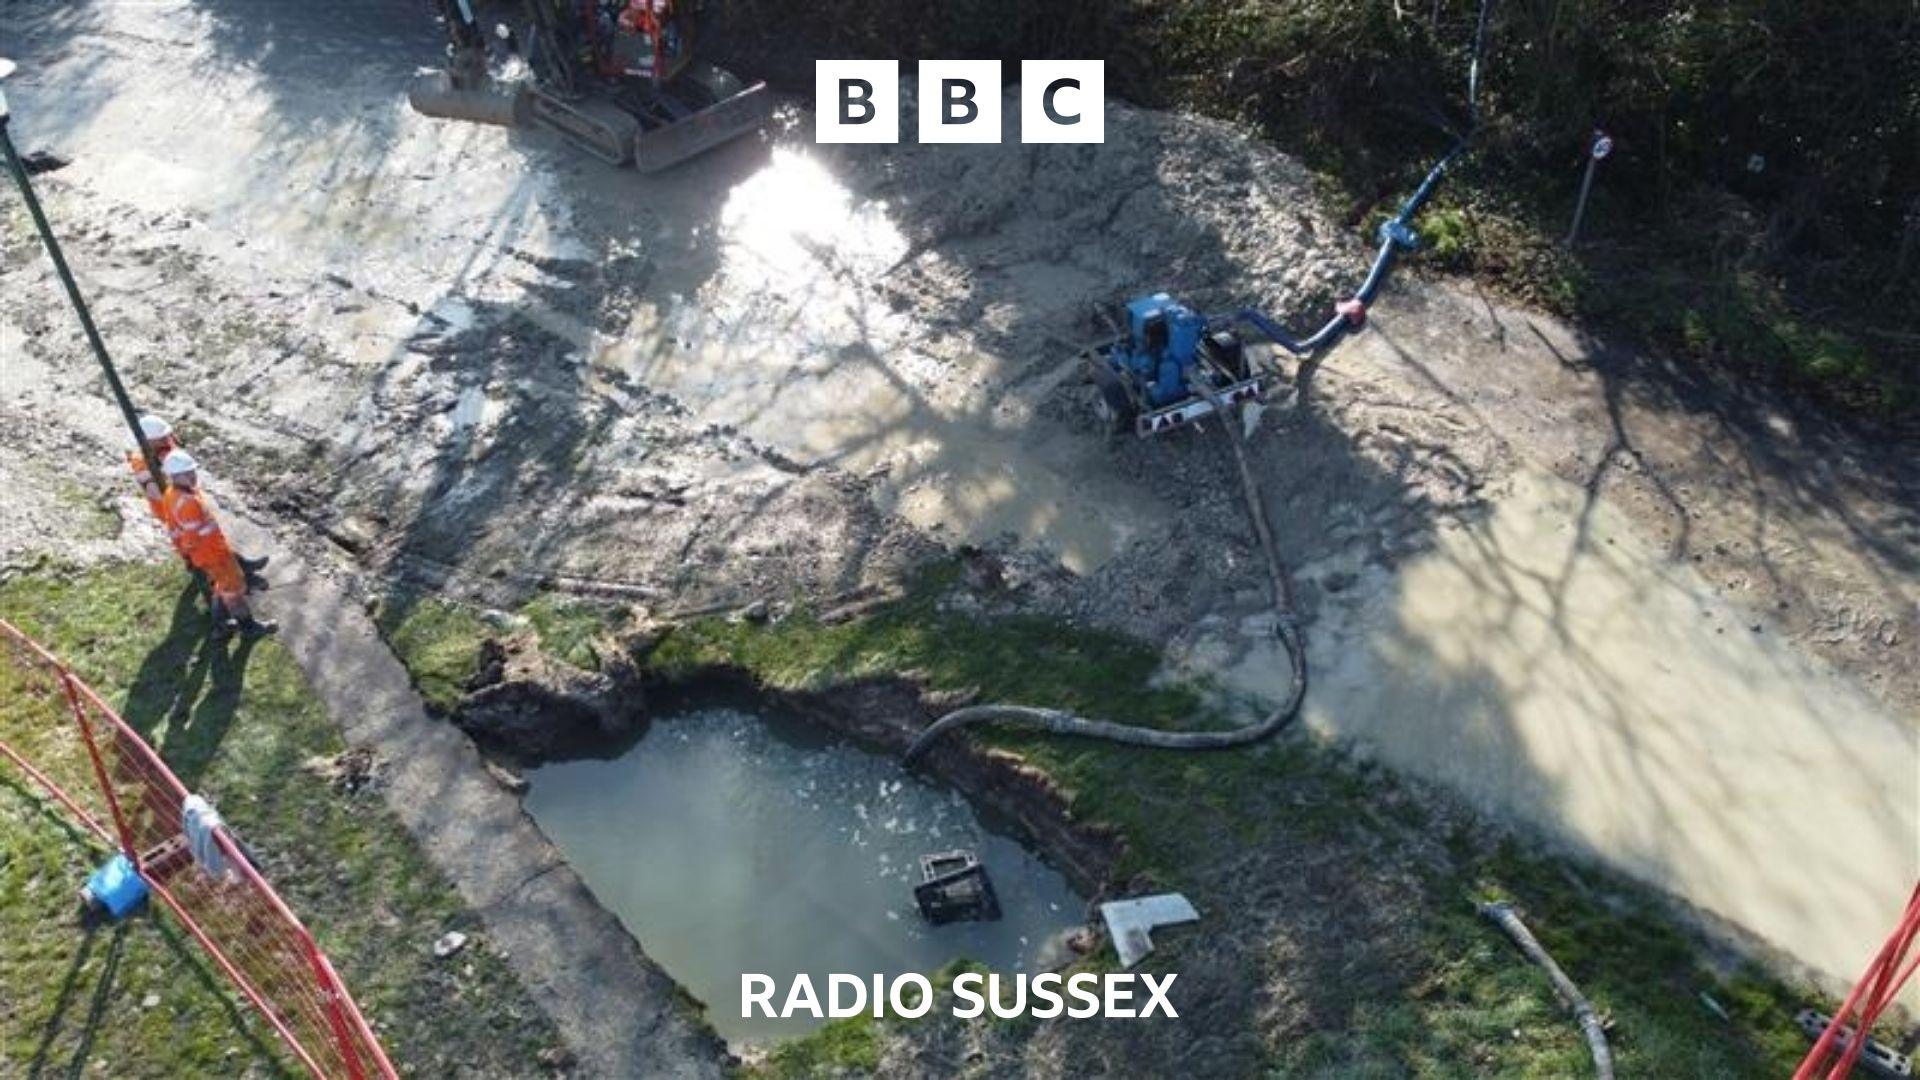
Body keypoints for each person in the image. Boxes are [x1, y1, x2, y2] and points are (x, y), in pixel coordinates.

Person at [128, 416, 268, 587]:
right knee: (203, 550)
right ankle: (223, 583)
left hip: (189, 499)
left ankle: (240, 569)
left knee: (215, 541)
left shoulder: (165, 445)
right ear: (148, 441)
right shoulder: (141, 462)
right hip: (175, 511)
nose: (167, 439)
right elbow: (155, 493)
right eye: (161, 438)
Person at [161, 449, 276, 638]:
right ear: (174, 476)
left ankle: (220, 626)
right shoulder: (188, 503)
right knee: (234, 592)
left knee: (222, 587)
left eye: (193, 471)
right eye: (187, 473)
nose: (193, 476)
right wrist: (193, 554)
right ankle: (248, 627)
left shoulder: (171, 493)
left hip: (212, 553)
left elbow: (175, 529)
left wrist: (187, 556)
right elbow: (192, 536)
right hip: (214, 555)